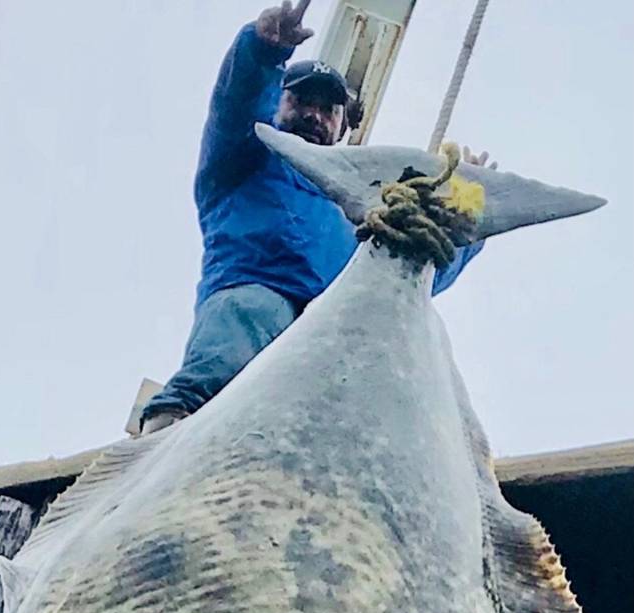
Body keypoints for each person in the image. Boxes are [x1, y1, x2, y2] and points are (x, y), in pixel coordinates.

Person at [141, 0, 494, 434]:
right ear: (276, 104)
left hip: (331, 342)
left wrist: (468, 215)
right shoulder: (243, 158)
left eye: (329, 110)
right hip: (255, 305)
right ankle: (168, 428)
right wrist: (262, 50)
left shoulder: (364, 213)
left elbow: (414, 276)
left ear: (344, 127)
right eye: (300, 100)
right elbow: (235, 104)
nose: (314, 114)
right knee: (254, 311)